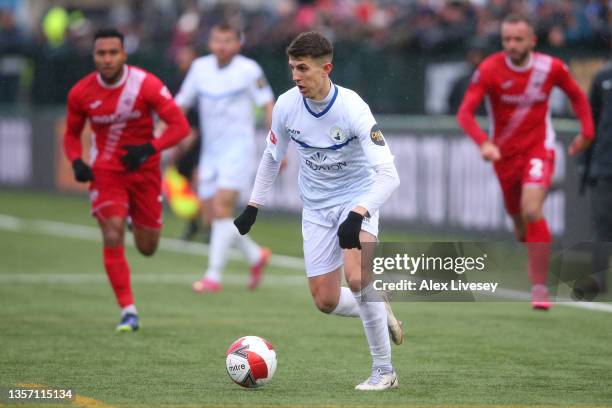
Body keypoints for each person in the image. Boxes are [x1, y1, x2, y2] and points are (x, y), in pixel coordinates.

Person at [233, 31, 403, 390]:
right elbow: (271, 157)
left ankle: (384, 371)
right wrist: (253, 205)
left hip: (358, 198)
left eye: (304, 69)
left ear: (326, 68)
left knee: (357, 279)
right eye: (293, 68)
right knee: (325, 300)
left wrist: (358, 212)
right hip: (315, 207)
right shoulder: (286, 105)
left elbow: (389, 175)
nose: (296, 76)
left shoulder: (353, 108)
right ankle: (377, 305)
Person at [457, 14, 594, 310]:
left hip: (538, 149)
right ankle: (533, 253)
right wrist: (485, 143)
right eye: (506, 39)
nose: (511, 44)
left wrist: (587, 132)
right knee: (521, 225)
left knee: (532, 209)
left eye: (518, 39)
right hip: (504, 157)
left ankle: (540, 287)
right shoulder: (489, 69)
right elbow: (465, 113)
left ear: (532, 40)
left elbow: (577, 96)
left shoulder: (551, 67)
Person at [63, 28, 190, 331]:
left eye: (112, 53)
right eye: (101, 53)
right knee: (112, 231)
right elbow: (70, 133)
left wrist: (150, 148)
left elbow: (179, 127)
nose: (106, 59)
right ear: (93, 56)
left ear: (123, 55)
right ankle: (128, 311)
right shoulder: (81, 92)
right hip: (107, 170)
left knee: (147, 247)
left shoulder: (146, 84)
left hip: (145, 169)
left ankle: (133, 217)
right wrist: (77, 161)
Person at [175, 22, 275, 293]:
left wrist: (278, 141)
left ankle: (213, 277)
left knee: (221, 209)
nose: (222, 46)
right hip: (210, 153)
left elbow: (267, 104)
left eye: (228, 40)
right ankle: (255, 256)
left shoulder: (248, 70)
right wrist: (165, 132)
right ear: (210, 43)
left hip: (237, 152)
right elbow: (180, 104)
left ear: (238, 43)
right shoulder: (200, 68)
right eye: (217, 40)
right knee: (212, 217)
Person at [583, 60, 612, 294]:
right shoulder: (603, 76)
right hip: (605, 165)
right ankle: (597, 280)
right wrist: (585, 164)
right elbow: (590, 121)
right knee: (602, 224)